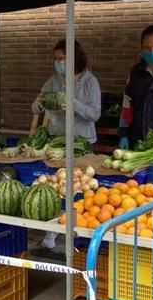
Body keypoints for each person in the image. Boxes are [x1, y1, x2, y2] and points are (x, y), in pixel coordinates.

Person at [31, 39, 101, 250]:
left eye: (62, 59)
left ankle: (76, 236)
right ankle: (51, 234)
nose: (58, 63)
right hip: (56, 144)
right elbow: (36, 106)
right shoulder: (54, 81)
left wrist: (72, 103)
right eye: (56, 59)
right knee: (55, 187)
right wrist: (39, 104)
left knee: (77, 191)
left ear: (74, 58)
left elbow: (95, 114)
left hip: (81, 144)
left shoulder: (90, 82)